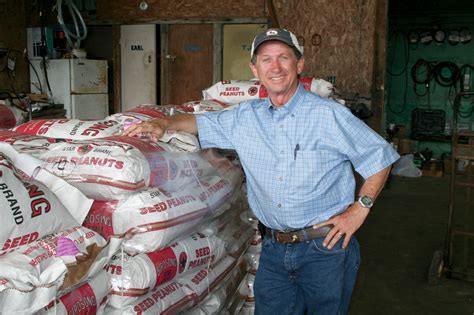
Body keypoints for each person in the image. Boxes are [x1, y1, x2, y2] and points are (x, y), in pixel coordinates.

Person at [123, 28, 400, 314]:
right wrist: (165, 125)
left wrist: (360, 209)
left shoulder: (328, 115)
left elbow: (379, 158)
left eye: (284, 57)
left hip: (324, 250)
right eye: (266, 60)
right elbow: (197, 123)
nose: (276, 67)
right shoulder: (245, 117)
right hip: (274, 250)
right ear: (255, 69)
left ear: (300, 64)